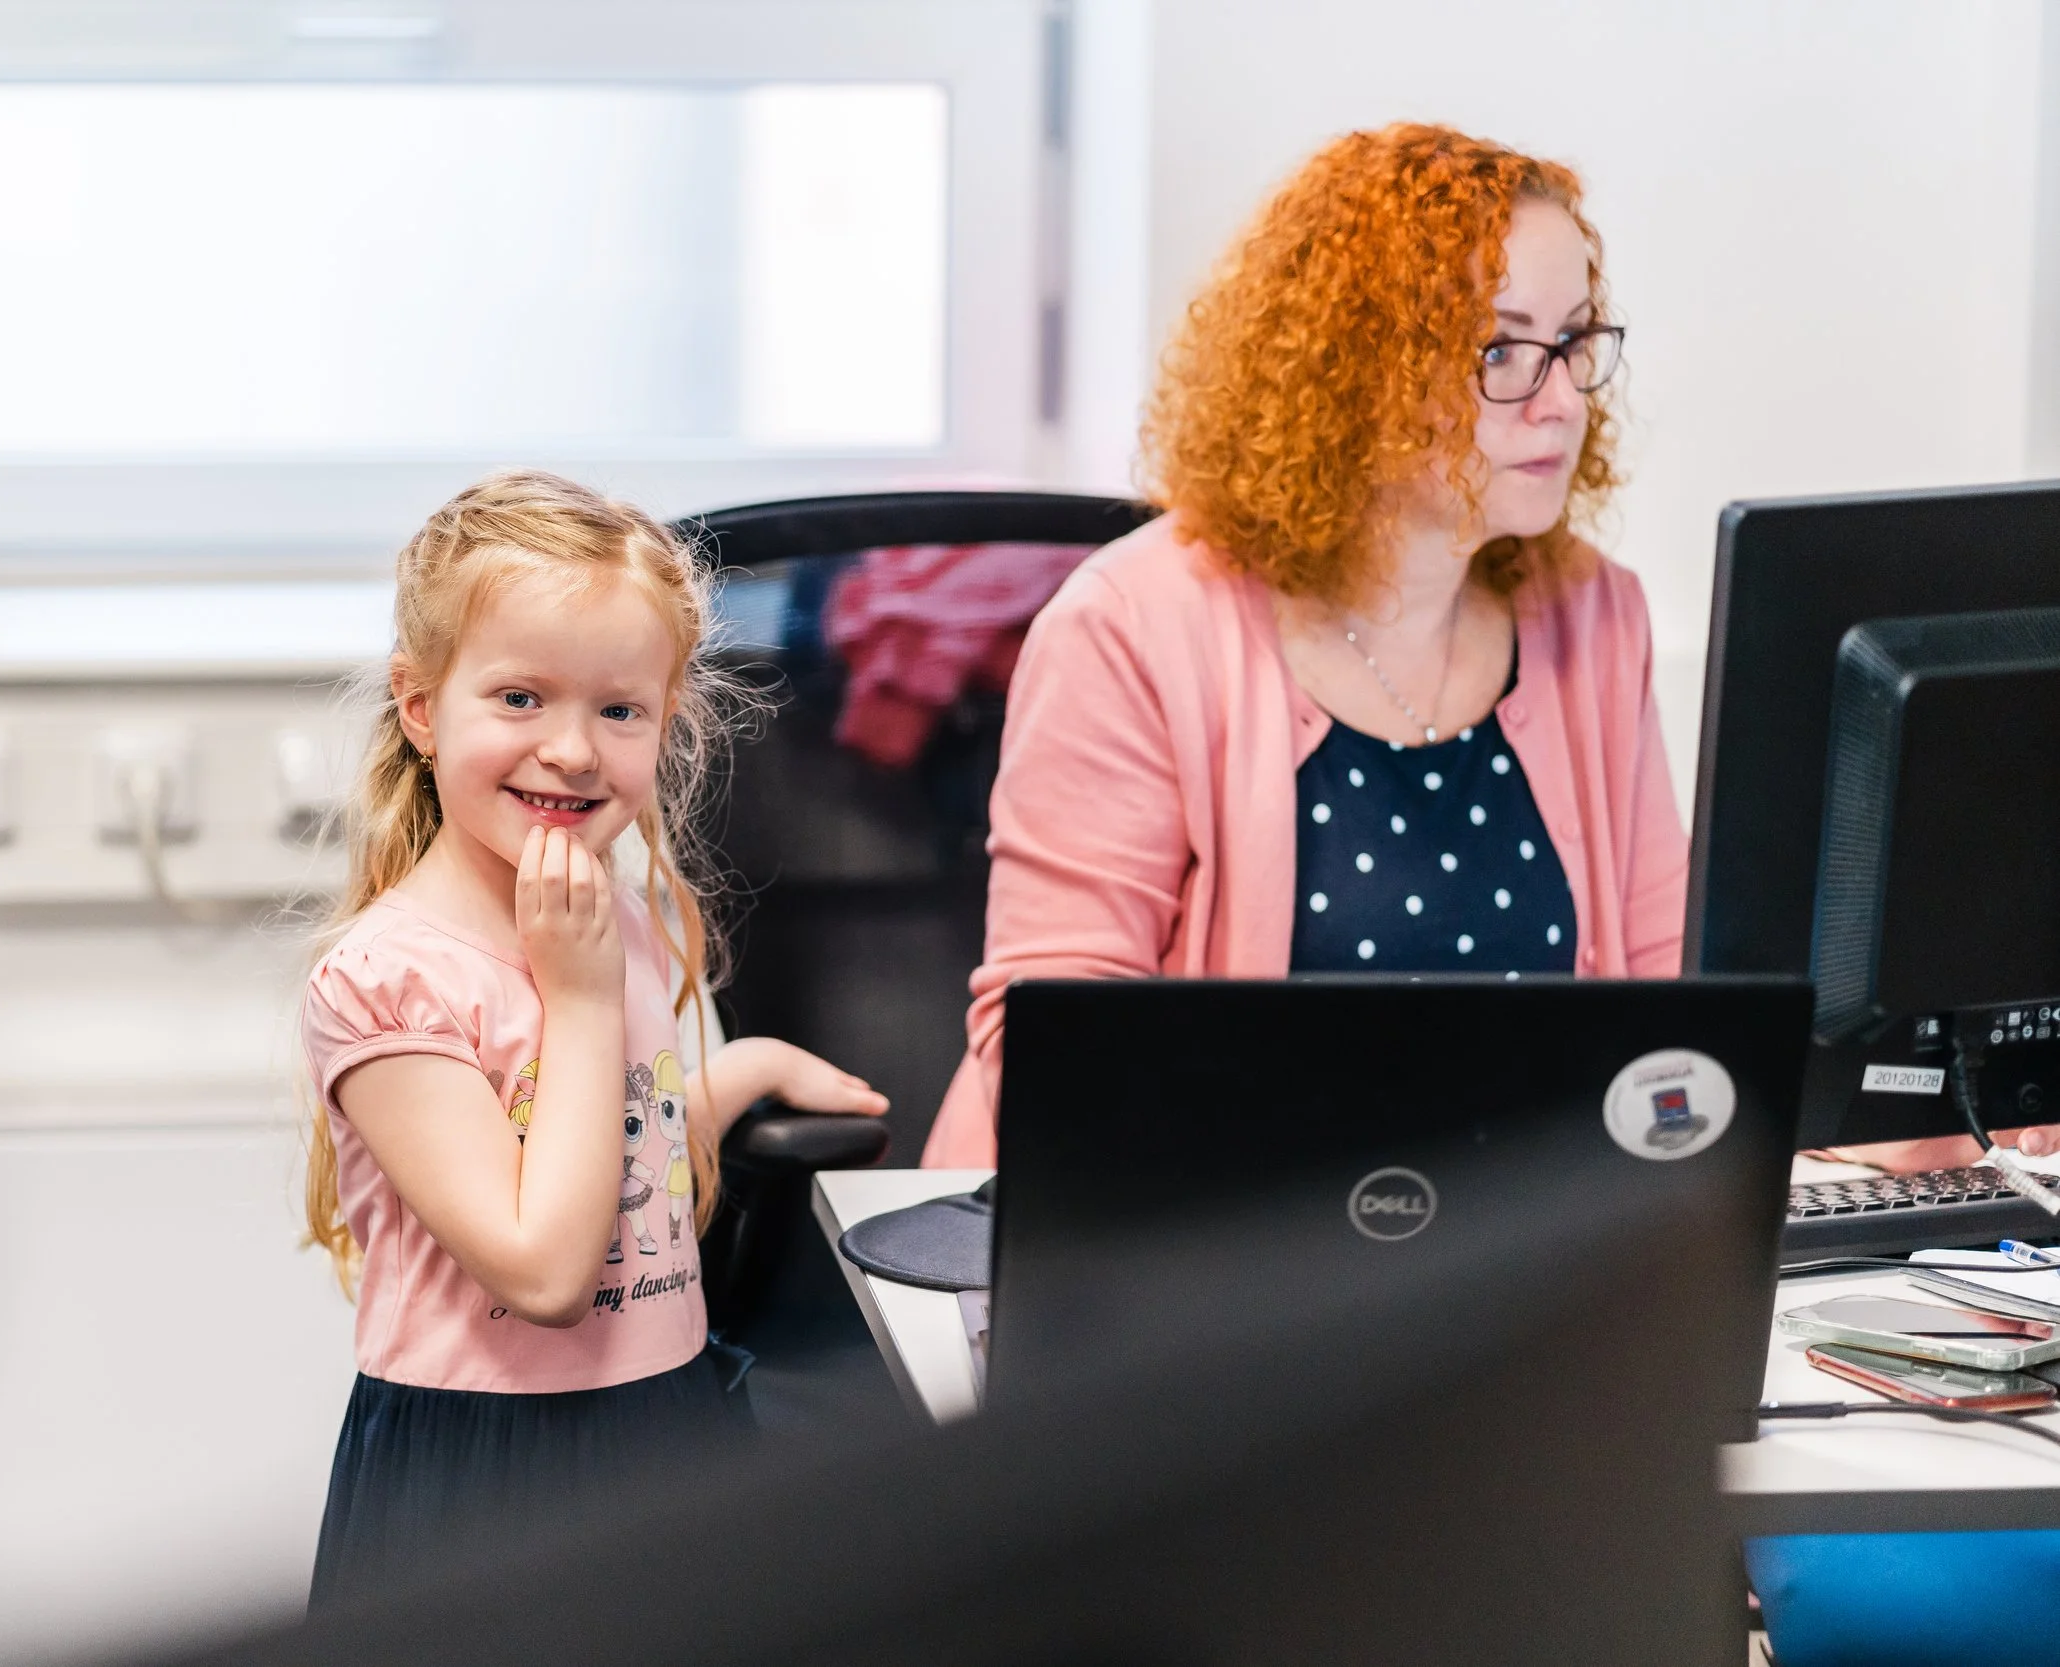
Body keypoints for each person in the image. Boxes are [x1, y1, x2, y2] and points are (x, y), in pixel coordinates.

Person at [924, 122, 1676, 1168]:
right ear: (1356, 376)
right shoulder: (1128, 625)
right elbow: (1050, 1053)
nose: (1559, 402)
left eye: (1574, 343)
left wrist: (1832, 1126)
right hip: (1177, 1233)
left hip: (1508, 1246)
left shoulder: (1596, 614)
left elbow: (1670, 1007)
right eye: (1499, 350)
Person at [299, 470, 886, 1608]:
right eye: (520, 697)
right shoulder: (388, 983)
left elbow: (622, 1150)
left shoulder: (605, 916)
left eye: (618, 710)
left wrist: (739, 1074)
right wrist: (577, 996)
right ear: (420, 705)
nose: (571, 750)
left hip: (663, 1425)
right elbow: (548, 1265)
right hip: (492, 1472)